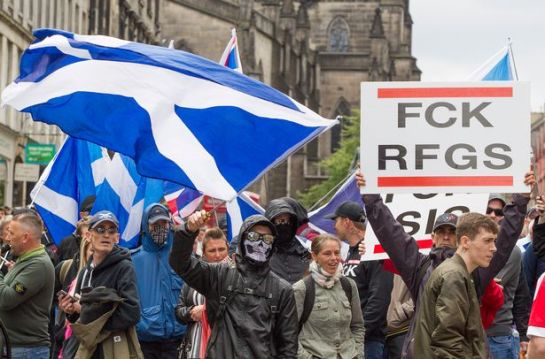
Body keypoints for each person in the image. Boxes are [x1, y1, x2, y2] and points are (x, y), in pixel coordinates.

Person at [356, 170, 534, 358]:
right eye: (442, 232)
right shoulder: (419, 267)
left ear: (463, 239)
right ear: (433, 237)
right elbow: (390, 231)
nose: (447, 236)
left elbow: (504, 240)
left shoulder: (476, 269)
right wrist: (370, 196)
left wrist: (521, 199)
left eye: (452, 231)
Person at [169, 211, 298, 358]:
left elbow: (288, 348)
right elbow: (180, 264)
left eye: (267, 238)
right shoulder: (219, 276)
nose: (261, 243)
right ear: (242, 239)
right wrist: (188, 231)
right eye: (254, 237)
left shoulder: (282, 290)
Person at [414, 212, 498, 358]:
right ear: (465, 242)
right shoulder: (454, 275)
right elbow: (448, 341)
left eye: (494, 241)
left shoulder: (458, 272)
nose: (493, 248)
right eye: (487, 241)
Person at [62, 210, 142, 358]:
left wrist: (85, 311)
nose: (106, 235)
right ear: (88, 235)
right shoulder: (86, 270)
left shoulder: (123, 266)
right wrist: (70, 310)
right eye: (100, 229)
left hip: (111, 349)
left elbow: (132, 312)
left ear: (117, 238)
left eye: (112, 230)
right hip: (86, 348)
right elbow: (80, 316)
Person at [325, 201, 392, 359]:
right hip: (349, 340)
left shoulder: (373, 250)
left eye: (336, 220)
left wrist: (359, 334)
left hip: (368, 342)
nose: (334, 226)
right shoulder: (351, 253)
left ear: (346, 222)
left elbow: (379, 298)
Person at [293, 234, 365, 358]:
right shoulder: (301, 288)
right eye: (327, 253)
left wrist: (358, 354)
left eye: (337, 253)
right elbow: (289, 333)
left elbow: (357, 326)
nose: (334, 258)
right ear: (314, 256)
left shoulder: (349, 285)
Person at [132, 204, 186, 359]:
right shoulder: (133, 260)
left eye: (164, 223)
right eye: (155, 224)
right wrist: (140, 325)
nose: (160, 228)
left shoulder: (180, 257)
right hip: (147, 342)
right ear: (145, 226)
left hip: (179, 339)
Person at [0, 211, 54, 358]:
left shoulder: (38, 265)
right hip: (16, 348)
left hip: (27, 350)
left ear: (25, 237)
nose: (7, 238)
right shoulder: (25, 260)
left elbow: (6, 299)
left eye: (11, 233)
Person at [485, 195, 532, 358]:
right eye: (488, 210)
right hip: (465, 336)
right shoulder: (464, 249)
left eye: (498, 212)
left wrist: (524, 334)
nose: (492, 215)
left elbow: (521, 294)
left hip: (499, 337)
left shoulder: (514, 252)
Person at [176, 227, 231, 359]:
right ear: (204, 253)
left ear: (228, 248)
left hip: (226, 348)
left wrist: (207, 311)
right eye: (212, 250)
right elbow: (178, 311)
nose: (218, 255)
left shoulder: (238, 276)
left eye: (221, 249)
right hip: (195, 347)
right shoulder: (193, 276)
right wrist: (191, 312)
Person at [265, 198, 311, 284]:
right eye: (280, 221)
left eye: (287, 221)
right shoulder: (262, 251)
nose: (284, 225)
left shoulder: (305, 249)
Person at [57, 195, 95, 262]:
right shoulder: (67, 243)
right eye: (91, 210)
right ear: (82, 214)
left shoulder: (106, 241)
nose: (95, 214)